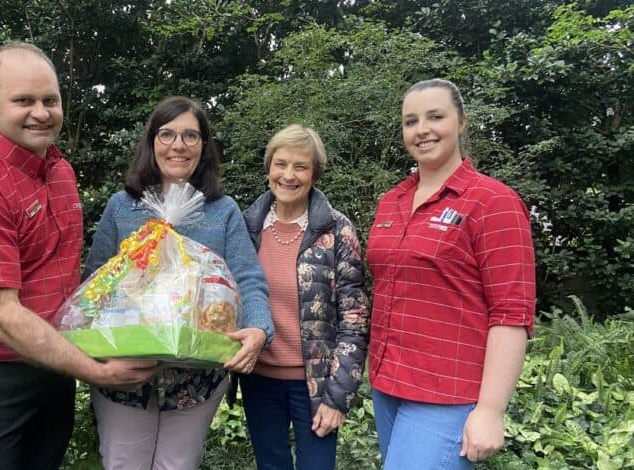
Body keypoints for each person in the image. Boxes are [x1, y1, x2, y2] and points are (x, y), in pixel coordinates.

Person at [0, 41, 160, 470]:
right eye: (24, 100)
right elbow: (0, 316)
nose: (41, 112)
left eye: (50, 100)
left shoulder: (59, 171)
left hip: (52, 365)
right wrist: (98, 372)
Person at [83, 96, 274, 470]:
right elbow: (95, 282)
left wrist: (258, 328)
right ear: (151, 141)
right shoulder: (122, 206)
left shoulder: (222, 211)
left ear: (203, 146)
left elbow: (248, 279)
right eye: (167, 134)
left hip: (196, 377)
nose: (178, 145)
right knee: (123, 464)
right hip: (123, 374)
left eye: (191, 136)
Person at [366, 78, 536, 468]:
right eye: (411, 121)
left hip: (448, 394)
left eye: (435, 117)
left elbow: (511, 314)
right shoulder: (391, 201)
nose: (422, 129)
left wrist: (490, 409)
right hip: (387, 384)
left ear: (461, 122)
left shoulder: (494, 202)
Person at [239, 124, 370, 469]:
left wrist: (338, 396)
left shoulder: (337, 230)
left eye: (300, 166)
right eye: (280, 164)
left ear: (314, 173)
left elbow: (354, 318)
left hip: (317, 383)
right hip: (259, 379)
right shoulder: (246, 227)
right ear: (268, 167)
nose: (288, 175)